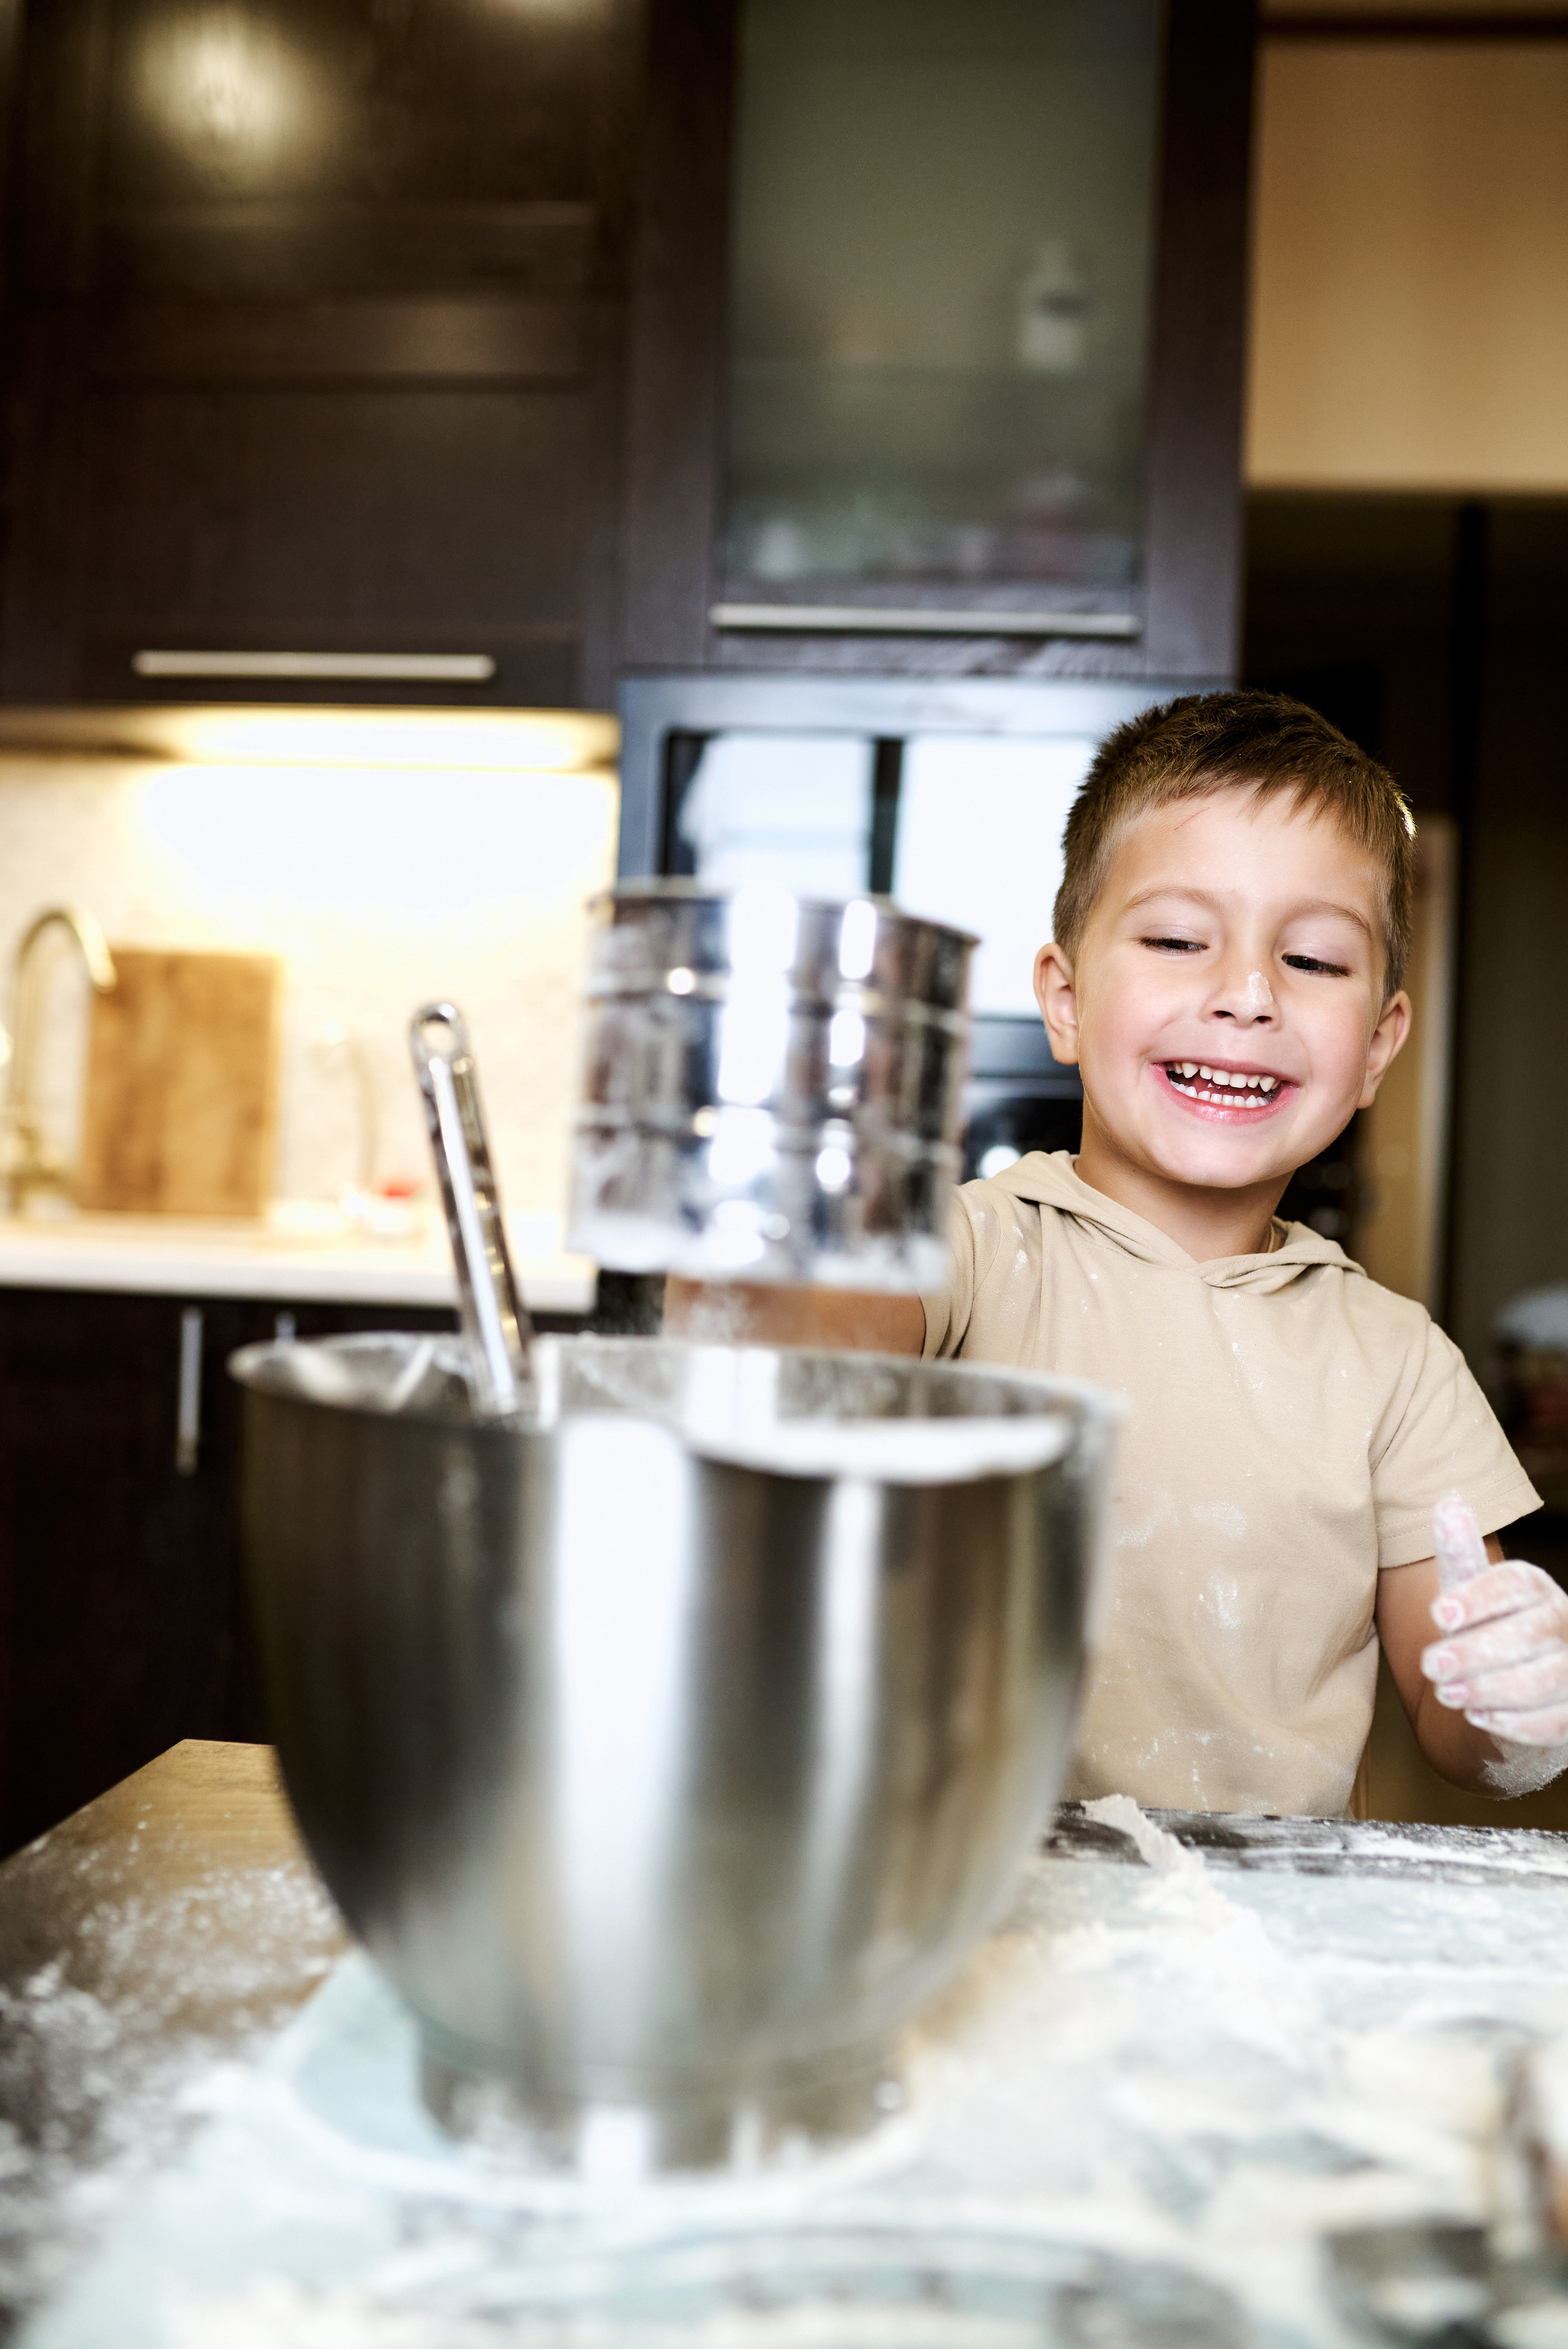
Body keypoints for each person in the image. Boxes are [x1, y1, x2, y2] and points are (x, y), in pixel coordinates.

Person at [667, 690, 1568, 1816]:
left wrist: (1518, 1703)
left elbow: (1467, 1742)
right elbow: (779, 1363)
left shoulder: (1397, 1363)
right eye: (1180, 940)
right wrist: (788, 1193)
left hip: (1263, 1945)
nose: (1246, 994)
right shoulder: (971, 1254)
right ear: (1065, 996)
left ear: (1381, 1044)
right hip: (971, 1906)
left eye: (1315, 960)